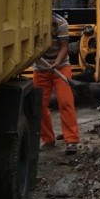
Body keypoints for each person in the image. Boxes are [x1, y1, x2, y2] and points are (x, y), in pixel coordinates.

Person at [33, 13, 80, 154]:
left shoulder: (61, 23)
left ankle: (72, 140)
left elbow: (64, 47)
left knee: (66, 102)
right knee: (39, 105)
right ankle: (48, 139)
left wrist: (57, 63)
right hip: (41, 68)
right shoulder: (31, 24)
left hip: (61, 67)